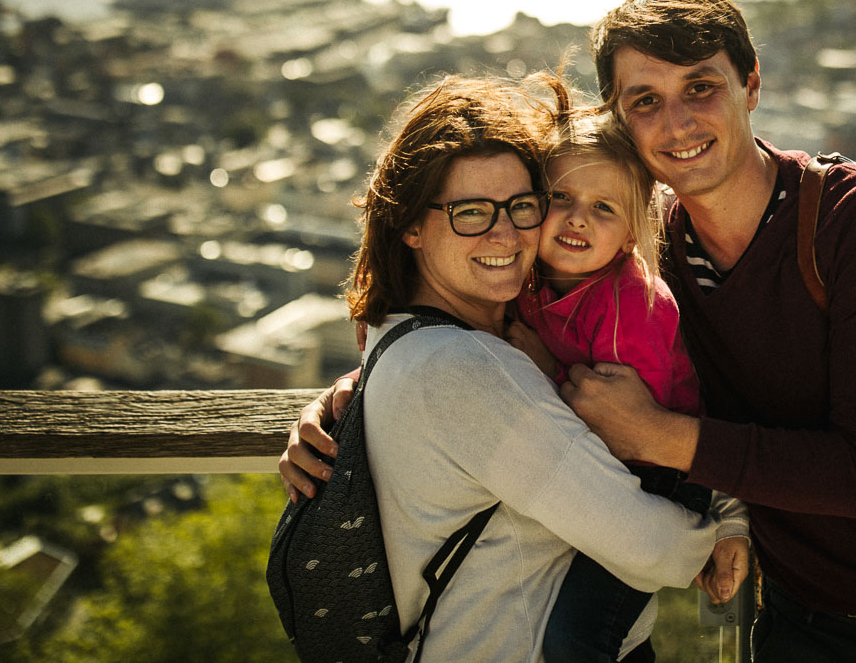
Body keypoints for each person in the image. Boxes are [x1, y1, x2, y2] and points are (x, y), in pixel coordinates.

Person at [285, 0, 856, 661]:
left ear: (752, 84)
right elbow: (495, 330)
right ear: (620, 121)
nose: (678, 121)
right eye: (644, 100)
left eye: (701, 87)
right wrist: (359, 393)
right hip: (802, 624)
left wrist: (656, 436)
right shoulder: (646, 246)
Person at [283, 74, 745, 663]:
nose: (505, 232)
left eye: (521, 205)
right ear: (412, 226)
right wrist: (725, 530)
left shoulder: (403, 341)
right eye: (471, 211)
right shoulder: (471, 371)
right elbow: (655, 546)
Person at [509, 103, 740, 662]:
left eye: (603, 207)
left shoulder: (631, 304)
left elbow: (627, 427)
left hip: (659, 480)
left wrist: (545, 367)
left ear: (635, 229)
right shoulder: (523, 278)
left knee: (576, 640)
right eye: (561, 197)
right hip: (596, 476)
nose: (577, 218)